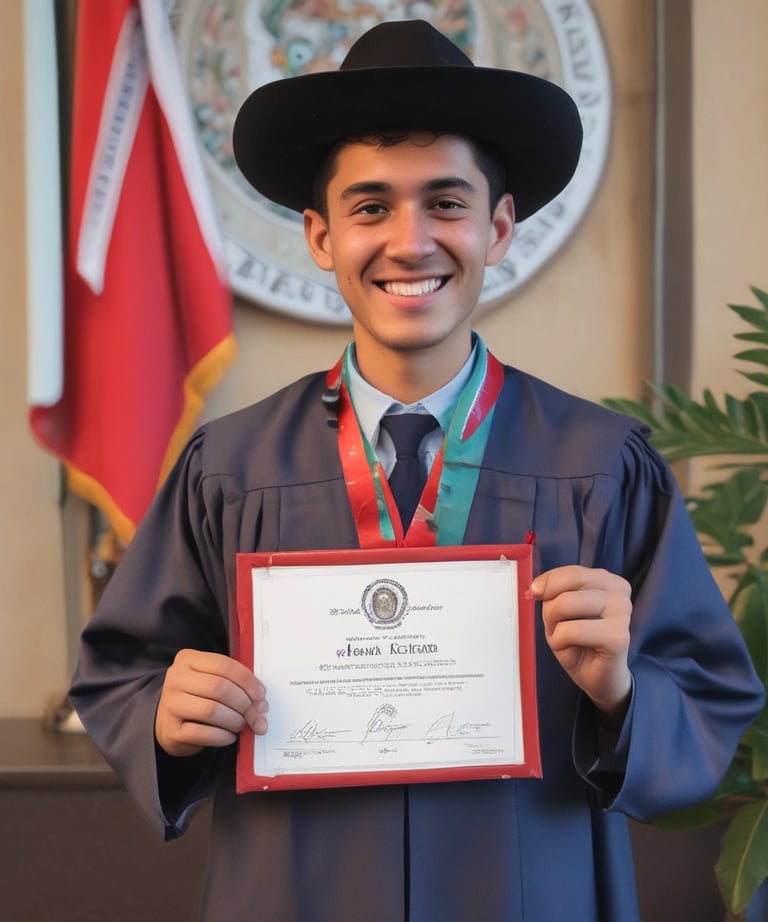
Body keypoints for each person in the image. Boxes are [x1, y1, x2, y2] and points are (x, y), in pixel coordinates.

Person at [70, 19, 764, 922]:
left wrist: (621, 691)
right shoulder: (228, 470)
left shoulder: (601, 464)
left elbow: (710, 698)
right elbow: (121, 672)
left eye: (445, 202)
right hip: (293, 894)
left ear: (498, 225)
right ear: (320, 236)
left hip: (530, 896)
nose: (410, 240)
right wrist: (167, 714)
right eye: (370, 208)